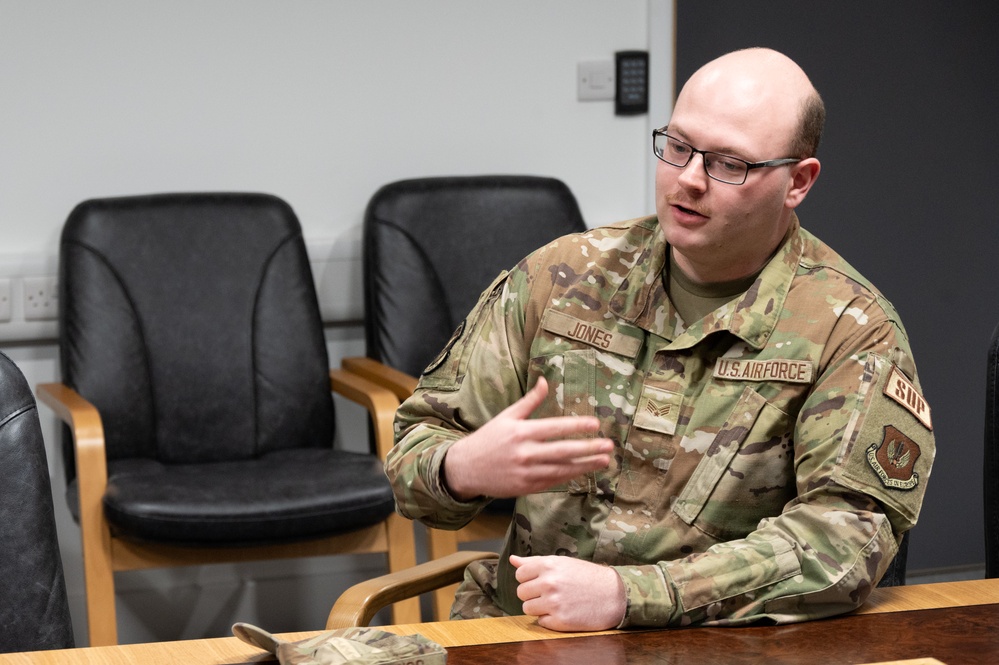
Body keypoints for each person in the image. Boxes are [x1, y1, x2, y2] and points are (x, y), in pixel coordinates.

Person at [385, 47, 935, 631]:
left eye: (728, 164)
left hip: (717, 642)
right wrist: (461, 468)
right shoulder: (562, 277)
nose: (689, 179)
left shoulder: (849, 329)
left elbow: (843, 540)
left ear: (797, 181)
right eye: (677, 146)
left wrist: (632, 595)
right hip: (528, 633)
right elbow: (414, 454)